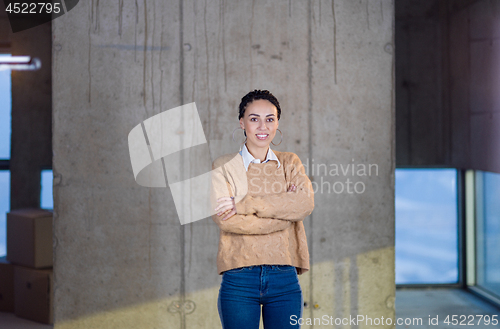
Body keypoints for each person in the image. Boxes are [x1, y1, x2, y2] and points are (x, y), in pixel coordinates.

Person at [210, 89, 315, 329]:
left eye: (270, 119)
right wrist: (284, 213)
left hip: (284, 277)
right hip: (239, 277)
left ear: (277, 123)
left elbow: (304, 204)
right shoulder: (224, 166)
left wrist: (245, 204)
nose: (262, 126)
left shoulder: (290, 162)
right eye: (254, 118)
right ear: (242, 122)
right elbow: (227, 221)